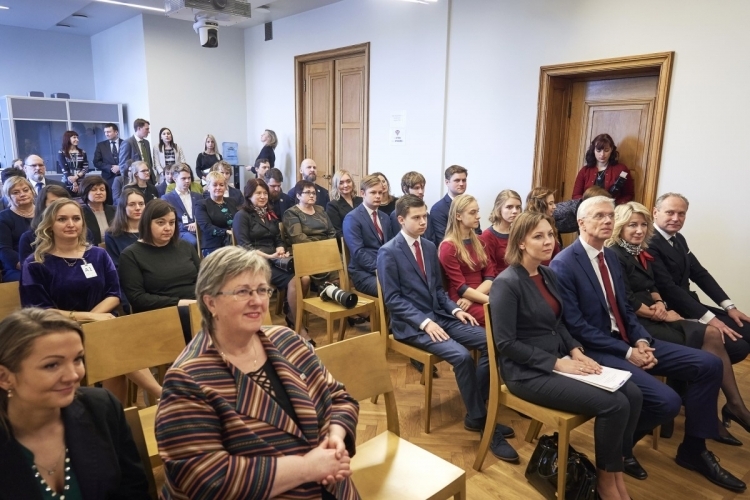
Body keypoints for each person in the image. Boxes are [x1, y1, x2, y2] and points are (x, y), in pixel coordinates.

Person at [549, 196, 745, 492]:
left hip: (630, 339)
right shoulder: (564, 263)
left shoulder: (610, 257)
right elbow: (576, 326)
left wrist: (640, 339)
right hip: (598, 349)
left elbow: (625, 309)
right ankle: (622, 448)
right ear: (581, 222)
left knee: (710, 364)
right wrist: (628, 351)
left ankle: (693, 449)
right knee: (667, 402)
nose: (607, 221)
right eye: (599, 216)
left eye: (610, 216)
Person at [155, 247, 359, 499]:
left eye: (262, 290)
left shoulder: (288, 340)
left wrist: (335, 439)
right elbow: (207, 478)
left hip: (333, 484)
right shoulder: (188, 378)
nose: (258, 301)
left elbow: (340, 398)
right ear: (210, 302)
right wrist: (307, 468)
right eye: (242, 291)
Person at [491, 211, 641, 500]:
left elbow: (558, 322)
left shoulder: (546, 273)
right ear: (521, 242)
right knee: (614, 405)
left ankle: (615, 472)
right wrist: (558, 363)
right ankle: (606, 483)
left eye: (550, 234)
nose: (548, 241)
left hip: (559, 359)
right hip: (526, 373)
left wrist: (575, 350)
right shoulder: (507, 283)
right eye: (539, 236)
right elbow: (505, 344)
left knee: (632, 394)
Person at [377, 194, 517, 461]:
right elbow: (393, 300)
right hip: (413, 325)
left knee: (494, 341)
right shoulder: (389, 252)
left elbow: (439, 291)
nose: (422, 221)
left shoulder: (429, 247)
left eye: (425, 216)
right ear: (401, 219)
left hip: (442, 315)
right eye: (416, 218)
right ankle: (480, 419)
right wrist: (425, 321)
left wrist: (454, 310)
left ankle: (474, 404)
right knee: (462, 357)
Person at [608, 201, 750, 445]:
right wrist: (660, 313)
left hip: (659, 312)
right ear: (620, 226)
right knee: (713, 346)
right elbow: (625, 299)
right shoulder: (615, 254)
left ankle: (726, 407)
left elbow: (655, 285)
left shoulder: (640, 248)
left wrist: (660, 302)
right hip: (640, 323)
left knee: (721, 341)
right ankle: (723, 410)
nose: (639, 230)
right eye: (633, 225)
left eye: (643, 225)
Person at [0, 308, 151, 499]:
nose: (73, 375)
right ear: (4, 377)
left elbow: (133, 490)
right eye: (52, 365)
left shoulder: (101, 407)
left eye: (78, 359)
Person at [648, 192, 750, 345]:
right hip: (672, 310)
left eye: (681, 214)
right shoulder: (648, 241)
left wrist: (729, 307)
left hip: (690, 304)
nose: (676, 218)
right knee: (737, 345)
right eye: (670, 212)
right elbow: (668, 288)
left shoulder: (678, 238)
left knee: (747, 328)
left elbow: (700, 274)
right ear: (655, 212)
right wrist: (710, 319)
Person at [20, 198, 120, 322]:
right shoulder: (35, 263)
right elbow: (38, 310)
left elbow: (114, 295)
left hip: (102, 323)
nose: (71, 224)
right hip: (56, 329)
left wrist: (90, 319)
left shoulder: (99, 254)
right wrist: (87, 317)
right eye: (62, 219)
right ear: (50, 224)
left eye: (76, 218)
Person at [235, 178, 308, 339]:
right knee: (295, 280)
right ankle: (296, 325)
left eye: (264, 193)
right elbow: (244, 247)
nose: (262, 197)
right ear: (249, 195)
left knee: (304, 278)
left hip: (275, 260)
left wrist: (281, 249)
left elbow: (278, 238)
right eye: (258, 193)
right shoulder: (242, 215)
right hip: (254, 262)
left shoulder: (270, 213)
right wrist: (269, 255)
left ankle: (293, 317)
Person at [118, 200, 199, 341]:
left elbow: (204, 279)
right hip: (161, 315)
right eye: (161, 223)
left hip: (196, 308)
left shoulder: (185, 246)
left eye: (172, 222)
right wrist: (180, 303)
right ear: (147, 223)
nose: (168, 228)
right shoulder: (131, 255)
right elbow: (138, 298)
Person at [439, 194, 494, 326]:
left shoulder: (480, 241)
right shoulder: (448, 246)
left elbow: (490, 277)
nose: (478, 216)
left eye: (478, 211)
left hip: (476, 295)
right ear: (458, 216)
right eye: (473, 212)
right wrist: (492, 300)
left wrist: (473, 299)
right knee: (501, 316)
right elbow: (461, 288)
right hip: (460, 300)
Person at [343, 175, 393, 296]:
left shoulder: (385, 217)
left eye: (380, 193)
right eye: (373, 192)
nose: (378, 196)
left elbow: (391, 246)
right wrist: (380, 268)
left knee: (412, 284)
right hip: (363, 273)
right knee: (392, 289)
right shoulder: (352, 218)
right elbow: (358, 252)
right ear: (362, 193)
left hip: (385, 269)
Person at [283, 180, 338, 287]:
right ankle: (327, 291)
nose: (312, 195)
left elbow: (331, 231)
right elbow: (298, 238)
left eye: (313, 193)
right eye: (308, 192)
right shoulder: (291, 213)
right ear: (298, 195)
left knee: (346, 264)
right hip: (305, 251)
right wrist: (321, 247)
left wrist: (328, 247)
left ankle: (332, 293)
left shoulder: (320, 210)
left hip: (326, 250)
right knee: (332, 268)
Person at [572, 134, 634, 205]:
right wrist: (589, 203)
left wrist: (615, 205)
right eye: (598, 150)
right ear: (593, 150)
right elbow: (575, 195)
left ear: (611, 150)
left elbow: (628, 194)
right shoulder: (584, 171)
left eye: (606, 150)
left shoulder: (622, 169)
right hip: (589, 210)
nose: (602, 154)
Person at [18, 185, 71, 264]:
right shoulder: (28, 238)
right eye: (54, 203)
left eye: (64, 203)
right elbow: (27, 271)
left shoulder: (82, 232)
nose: (60, 207)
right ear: (43, 206)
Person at [431, 165, 479, 244]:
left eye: (464, 180)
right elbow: (443, 238)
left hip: (474, 248)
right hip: (452, 250)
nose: (461, 184)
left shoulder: (470, 204)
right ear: (447, 182)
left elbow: (477, 232)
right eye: (457, 180)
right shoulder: (438, 209)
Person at [0, 176, 36, 282]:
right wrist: (30, 267)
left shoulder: (46, 213)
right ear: (8, 196)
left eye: (26, 190)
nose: (22, 194)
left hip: (50, 261)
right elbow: (4, 251)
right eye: (15, 192)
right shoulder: (3, 218)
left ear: (32, 192)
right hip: (17, 267)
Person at [480, 189, 522, 277]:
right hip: (500, 282)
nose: (515, 211)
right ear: (499, 209)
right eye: (509, 207)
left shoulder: (519, 232)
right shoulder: (487, 236)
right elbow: (490, 271)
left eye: (518, 207)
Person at [194, 171, 237, 257]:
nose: (218, 187)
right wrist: (226, 232)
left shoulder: (232, 201)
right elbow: (206, 227)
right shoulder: (201, 205)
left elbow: (238, 221)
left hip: (234, 242)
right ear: (208, 187)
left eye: (221, 185)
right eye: (215, 185)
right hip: (213, 245)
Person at [162, 163, 202, 247]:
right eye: (183, 178)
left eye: (189, 178)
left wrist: (196, 223)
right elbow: (168, 221)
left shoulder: (198, 196)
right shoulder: (167, 199)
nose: (187, 181)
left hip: (199, 228)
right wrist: (187, 227)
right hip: (181, 231)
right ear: (175, 178)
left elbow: (203, 215)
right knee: (193, 242)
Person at [388, 171, 434, 242]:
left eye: (422, 187)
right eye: (416, 188)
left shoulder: (426, 213)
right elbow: (398, 241)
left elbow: (431, 238)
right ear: (405, 189)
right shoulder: (397, 214)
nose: (421, 191)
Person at [104, 188, 144, 268]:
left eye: (141, 204)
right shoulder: (112, 235)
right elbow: (116, 266)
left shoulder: (151, 230)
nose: (138, 208)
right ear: (123, 207)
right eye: (132, 204)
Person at [526, 187, 561, 263]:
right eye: (550, 203)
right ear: (540, 204)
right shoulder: (527, 225)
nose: (554, 206)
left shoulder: (550, 223)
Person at [326, 169, 362, 239]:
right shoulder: (332, 205)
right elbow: (337, 232)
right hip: (347, 242)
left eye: (348, 181)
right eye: (341, 183)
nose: (346, 185)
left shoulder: (361, 201)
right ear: (336, 185)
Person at [80, 176, 115, 246]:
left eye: (102, 190)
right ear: (85, 192)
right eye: (94, 190)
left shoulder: (115, 210)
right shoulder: (80, 213)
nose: (99, 193)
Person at [118, 118, 154, 183]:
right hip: (135, 179)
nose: (149, 131)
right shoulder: (128, 143)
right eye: (147, 129)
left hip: (148, 179)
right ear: (139, 128)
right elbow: (123, 165)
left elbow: (149, 162)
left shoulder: (146, 143)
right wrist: (128, 181)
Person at [56, 130, 89, 195]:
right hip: (67, 182)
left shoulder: (82, 152)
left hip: (81, 182)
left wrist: (76, 177)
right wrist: (74, 182)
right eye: (74, 137)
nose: (77, 139)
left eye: (77, 137)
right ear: (68, 139)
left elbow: (86, 167)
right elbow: (64, 169)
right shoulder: (62, 152)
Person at [93, 122, 123, 187]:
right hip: (108, 178)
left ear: (116, 132)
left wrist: (120, 167)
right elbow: (96, 162)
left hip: (123, 177)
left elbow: (130, 160)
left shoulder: (125, 143)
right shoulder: (101, 145)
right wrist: (110, 167)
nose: (106, 134)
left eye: (109, 132)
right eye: (105, 132)